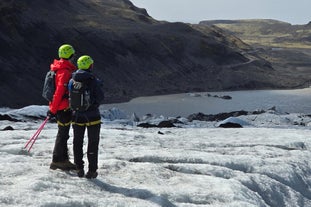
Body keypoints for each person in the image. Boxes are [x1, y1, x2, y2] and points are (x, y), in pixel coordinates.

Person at [70, 55, 104, 179]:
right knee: (93, 142)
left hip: (77, 115)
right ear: (90, 65)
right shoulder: (93, 80)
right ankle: (92, 171)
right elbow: (100, 97)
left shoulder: (72, 79)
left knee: (77, 142)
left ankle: (78, 167)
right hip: (93, 116)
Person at [47, 44, 77, 171]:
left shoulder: (60, 69)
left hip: (61, 107)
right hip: (63, 107)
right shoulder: (64, 71)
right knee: (63, 134)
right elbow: (59, 92)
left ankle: (63, 159)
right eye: (72, 56)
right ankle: (57, 160)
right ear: (69, 55)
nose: (74, 58)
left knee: (64, 134)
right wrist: (53, 110)